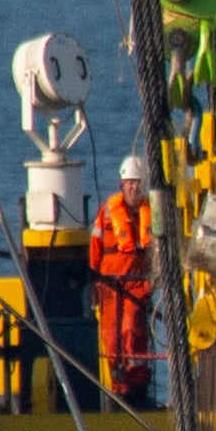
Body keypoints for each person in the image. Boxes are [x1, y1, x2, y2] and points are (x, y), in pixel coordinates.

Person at [87, 152, 160, 403]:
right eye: (129, 183)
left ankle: (137, 383)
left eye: (137, 183)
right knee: (111, 336)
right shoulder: (107, 212)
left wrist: (152, 282)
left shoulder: (151, 213)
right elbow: (95, 246)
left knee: (132, 329)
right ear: (122, 185)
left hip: (136, 284)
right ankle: (117, 385)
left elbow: (158, 253)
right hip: (109, 285)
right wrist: (94, 281)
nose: (133, 187)